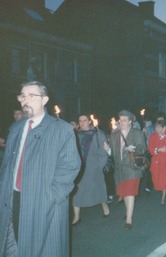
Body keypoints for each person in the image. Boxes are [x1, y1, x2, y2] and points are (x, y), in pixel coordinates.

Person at [0, 81, 81, 257]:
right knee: (13, 247)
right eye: (22, 96)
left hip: (44, 203)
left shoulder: (61, 129)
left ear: (44, 99)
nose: (25, 100)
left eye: (31, 96)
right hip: (13, 199)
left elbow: (70, 168)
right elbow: (7, 167)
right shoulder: (15, 128)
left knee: (44, 249)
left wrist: (50, 197)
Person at [109, 110, 146, 230]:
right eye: (121, 120)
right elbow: (114, 154)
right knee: (124, 193)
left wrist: (133, 149)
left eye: (125, 120)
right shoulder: (114, 135)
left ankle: (129, 219)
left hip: (132, 168)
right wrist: (107, 150)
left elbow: (142, 148)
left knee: (130, 192)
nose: (122, 122)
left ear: (130, 121)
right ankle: (128, 212)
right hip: (119, 169)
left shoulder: (137, 133)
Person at [72, 115, 110, 225]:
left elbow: (103, 153)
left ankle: (105, 206)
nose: (83, 122)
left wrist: (99, 165)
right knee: (77, 191)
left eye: (85, 120)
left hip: (94, 167)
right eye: (80, 121)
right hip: (79, 168)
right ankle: (77, 216)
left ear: (89, 121)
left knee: (99, 188)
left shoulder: (98, 134)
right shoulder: (75, 135)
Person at [148, 120, 166, 205]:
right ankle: (159, 188)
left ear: (163, 128)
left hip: (165, 161)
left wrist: (164, 135)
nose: (156, 129)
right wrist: (158, 149)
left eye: (159, 127)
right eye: (156, 127)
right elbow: (150, 148)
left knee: (164, 178)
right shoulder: (152, 136)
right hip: (156, 160)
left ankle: (163, 198)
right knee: (156, 177)